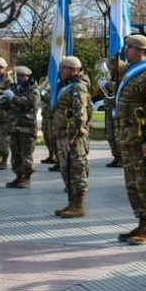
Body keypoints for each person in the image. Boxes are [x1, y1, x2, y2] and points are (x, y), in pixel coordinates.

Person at [114, 34, 146, 245]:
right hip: (129, 138)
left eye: (130, 48)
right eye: (126, 47)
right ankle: (142, 221)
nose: (126, 50)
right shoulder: (131, 72)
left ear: (141, 50)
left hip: (142, 139)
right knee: (134, 183)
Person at [52, 56, 91, 217]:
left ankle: (78, 205)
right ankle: (71, 203)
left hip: (73, 138)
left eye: (64, 68)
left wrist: (72, 137)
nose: (60, 71)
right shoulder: (66, 86)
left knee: (76, 170)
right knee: (66, 169)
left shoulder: (78, 87)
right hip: (63, 135)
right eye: (61, 68)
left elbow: (80, 115)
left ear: (74, 70)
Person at [4, 65, 41, 188]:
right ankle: (18, 176)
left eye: (22, 76)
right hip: (14, 126)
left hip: (27, 127)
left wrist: (13, 98)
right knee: (15, 154)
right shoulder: (14, 88)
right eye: (18, 76)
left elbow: (30, 103)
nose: (20, 78)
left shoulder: (33, 90)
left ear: (27, 77)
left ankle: (27, 178)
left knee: (26, 154)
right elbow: (9, 105)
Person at [103, 56, 126, 168]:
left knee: (119, 136)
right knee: (110, 135)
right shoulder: (112, 77)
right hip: (109, 108)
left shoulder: (123, 78)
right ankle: (116, 156)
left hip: (118, 110)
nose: (112, 68)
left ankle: (122, 158)